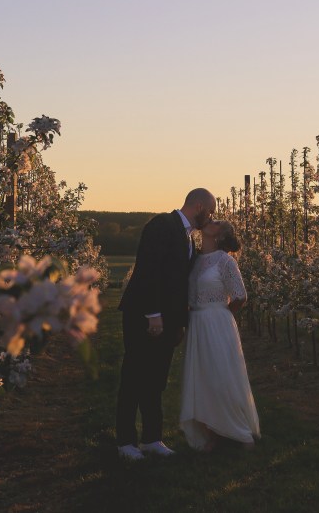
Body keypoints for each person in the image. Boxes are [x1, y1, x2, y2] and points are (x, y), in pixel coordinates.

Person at [115, 188, 216, 461]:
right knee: (134, 376)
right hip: (143, 315)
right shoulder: (162, 225)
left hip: (168, 320)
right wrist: (153, 314)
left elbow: (179, 284)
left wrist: (179, 323)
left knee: (156, 379)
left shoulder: (188, 238)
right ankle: (125, 441)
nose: (211, 217)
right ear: (198, 206)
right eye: (210, 211)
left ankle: (151, 438)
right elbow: (148, 271)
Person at [180, 219, 261, 451]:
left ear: (220, 235)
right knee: (202, 377)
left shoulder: (225, 261)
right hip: (196, 322)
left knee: (220, 375)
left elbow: (240, 295)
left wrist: (221, 316)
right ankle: (212, 433)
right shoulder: (194, 259)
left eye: (216, 222)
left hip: (217, 322)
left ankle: (239, 431)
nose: (210, 221)